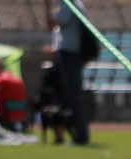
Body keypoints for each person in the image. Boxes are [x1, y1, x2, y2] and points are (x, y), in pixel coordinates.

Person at [47, 0, 90, 145]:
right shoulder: (75, 3)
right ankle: (78, 134)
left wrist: (47, 6)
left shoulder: (70, 3)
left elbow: (51, 24)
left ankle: (80, 136)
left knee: (74, 97)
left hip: (70, 53)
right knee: (71, 97)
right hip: (72, 53)